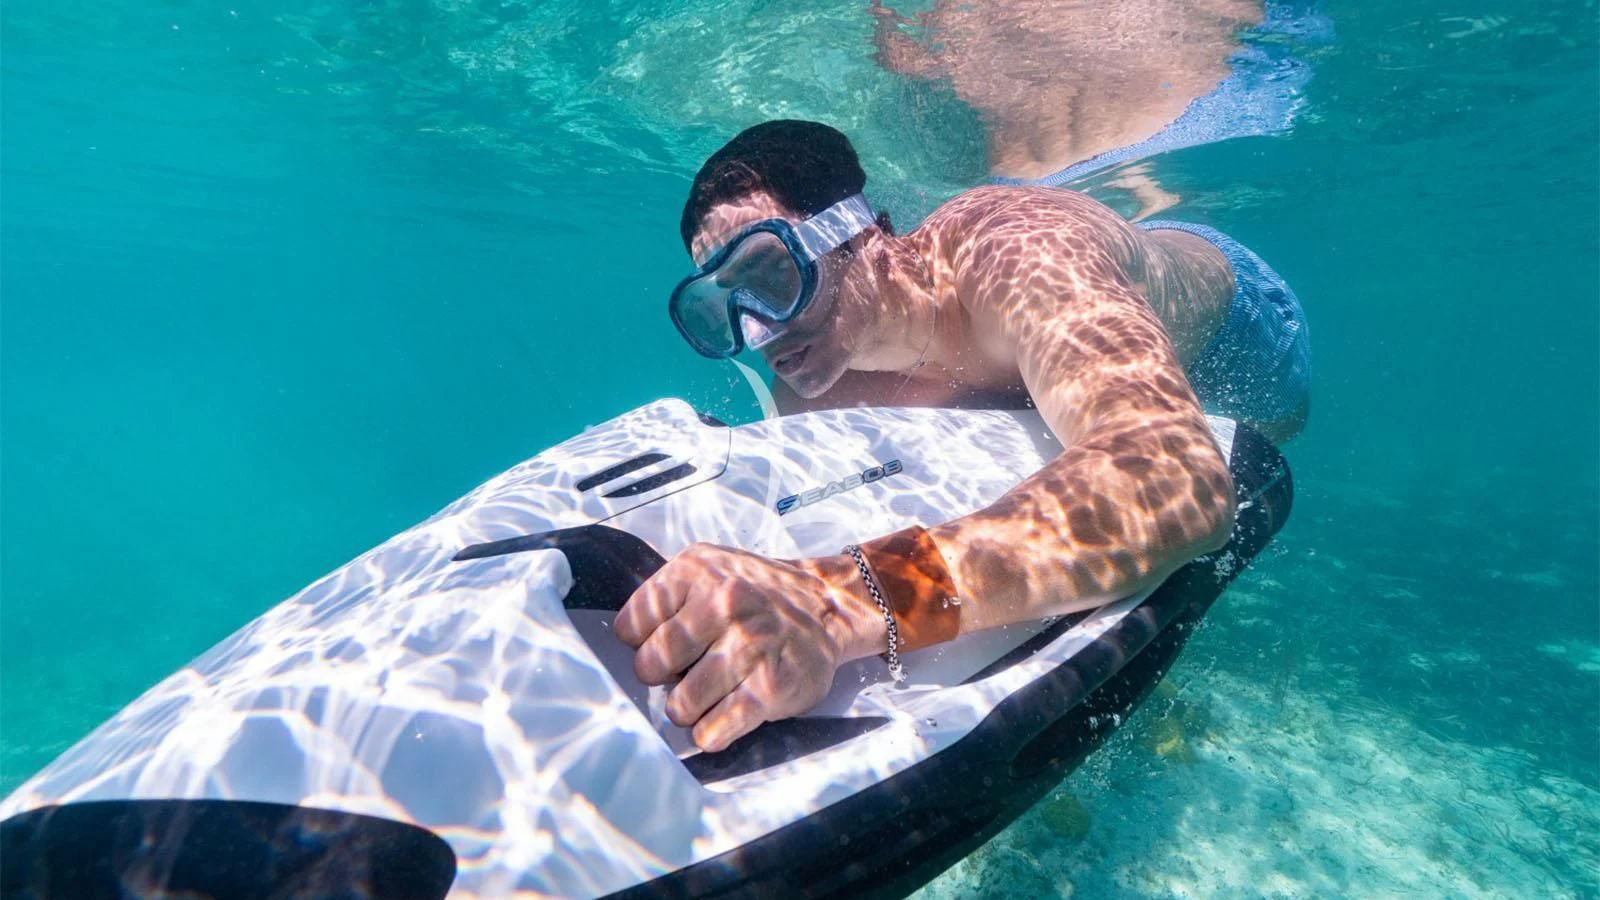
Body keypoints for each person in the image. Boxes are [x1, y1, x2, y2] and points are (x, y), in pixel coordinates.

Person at [615, 120, 1310, 753]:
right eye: (721, 310)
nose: (760, 331)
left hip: (1238, 328)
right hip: (1019, 348)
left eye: (772, 274)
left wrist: (832, 603)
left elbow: (1174, 477)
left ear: (863, 232)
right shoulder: (814, 383)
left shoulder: (1025, 256)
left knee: (1266, 442)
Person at [870, 0, 1330, 215]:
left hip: (1025, 190)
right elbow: (1292, 31)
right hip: (1206, 132)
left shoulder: (949, 19)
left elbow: (903, 59)